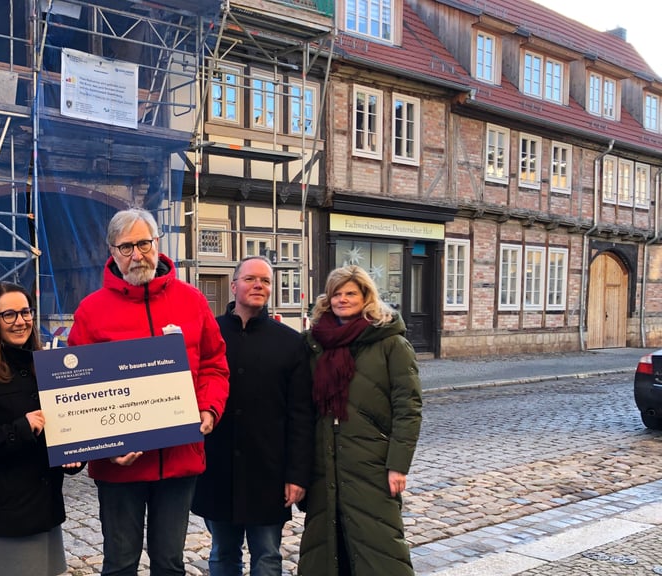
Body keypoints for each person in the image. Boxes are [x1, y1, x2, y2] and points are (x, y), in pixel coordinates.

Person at [68, 207, 229, 576]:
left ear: (157, 243)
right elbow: (77, 389)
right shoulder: (91, 311)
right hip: (119, 466)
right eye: (126, 247)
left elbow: (214, 364)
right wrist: (106, 445)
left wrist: (209, 408)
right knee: (120, 564)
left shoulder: (192, 300)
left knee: (170, 564)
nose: (137, 255)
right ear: (112, 251)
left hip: (179, 458)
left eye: (144, 244)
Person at [0, 282, 84, 576]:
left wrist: (73, 454)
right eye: (9, 314)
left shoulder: (46, 366)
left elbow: (63, 425)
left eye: (25, 312)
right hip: (2, 513)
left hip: (44, 507)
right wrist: (19, 429)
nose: (20, 321)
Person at [191, 256, 313, 576]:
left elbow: (301, 415)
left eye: (265, 280)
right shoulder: (209, 334)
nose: (258, 285)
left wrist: (297, 475)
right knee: (222, 554)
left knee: (268, 556)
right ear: (234, 286)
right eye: (250, 279)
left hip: (269, 470)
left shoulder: (291, 342)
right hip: (217, 468)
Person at [298, 265, 423, 576]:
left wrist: (398, 464)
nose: (343, 299)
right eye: (336, 293)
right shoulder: (315, 343)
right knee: (328, 546)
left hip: (372, 463)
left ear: (366, 296)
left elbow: (408, 406)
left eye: (351, 293)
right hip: (324, 464)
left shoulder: (391, 343)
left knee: (379, 545)